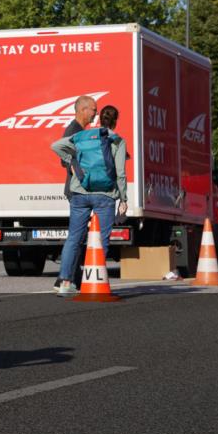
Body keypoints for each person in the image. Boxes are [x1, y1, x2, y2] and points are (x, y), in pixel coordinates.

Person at [50, 103, 128, 296]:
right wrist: (123, 199)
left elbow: (55, 146)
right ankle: (94, 281)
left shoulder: (83, 136)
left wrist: (72, 161)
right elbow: (120, 173)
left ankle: (65, 282)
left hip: (79, 193)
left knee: (73, 238)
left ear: (99, 119)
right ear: (115, 121)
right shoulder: (117, 140)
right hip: (105, 195)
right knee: (100, 240)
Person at [51, 95, 98, 291]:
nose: (95, 113)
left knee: (78, 237)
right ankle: (64, 279)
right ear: (82, 110)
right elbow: (65, 160)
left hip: (80, 190)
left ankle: (73, 278)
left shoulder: (80, 131)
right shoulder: (73, 131)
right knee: (76, 237)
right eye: (93, 109)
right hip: (77, 190)